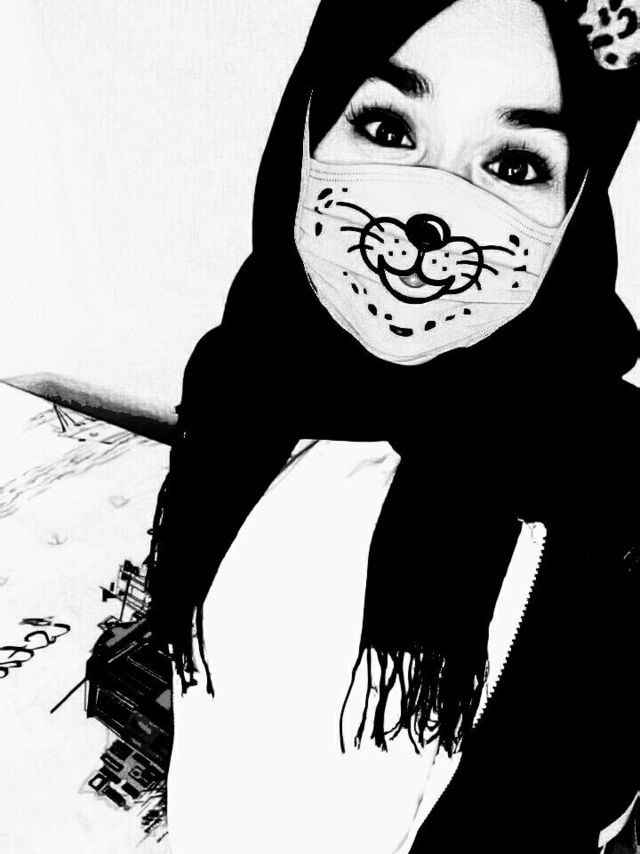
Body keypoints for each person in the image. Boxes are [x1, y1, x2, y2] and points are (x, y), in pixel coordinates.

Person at [145, 0, 640, 851]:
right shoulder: (244, 372)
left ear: (576, 203)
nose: (433, 209)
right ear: (308, 125)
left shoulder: (614, 493)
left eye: (515, 164)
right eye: (386, 126)